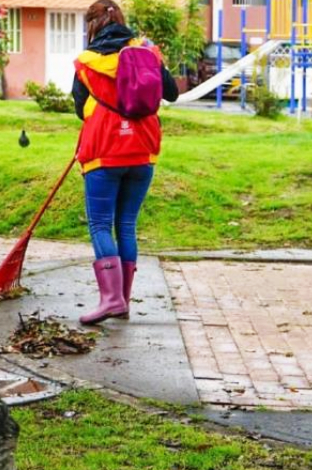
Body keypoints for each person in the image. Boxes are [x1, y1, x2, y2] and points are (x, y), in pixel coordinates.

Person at [71, 0, 178, 325]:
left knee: (101, 224)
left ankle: (111, 299)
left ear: (92, 26)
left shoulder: (87, 63)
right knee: (126, 224)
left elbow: (79, 107)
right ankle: (122, 300)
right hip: (144, 149)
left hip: (104, 149)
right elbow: (171, 93)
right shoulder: (147, 53)